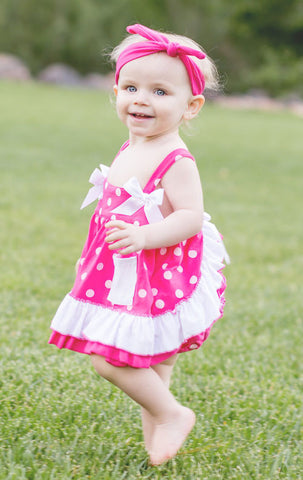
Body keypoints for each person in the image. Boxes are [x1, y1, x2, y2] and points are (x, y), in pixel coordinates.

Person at [49, 23, 229, 466]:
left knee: (109, 360)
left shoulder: (176, 159)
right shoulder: (130, 147)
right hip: (125, 267)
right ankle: (159, 438)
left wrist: (146, 236)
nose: (141, 99)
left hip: (156, 267)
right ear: (116, 92)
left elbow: (188, 217)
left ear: (192, 106)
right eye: (131, 87)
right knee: (156, 358)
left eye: (160, 92)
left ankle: (171, 414)